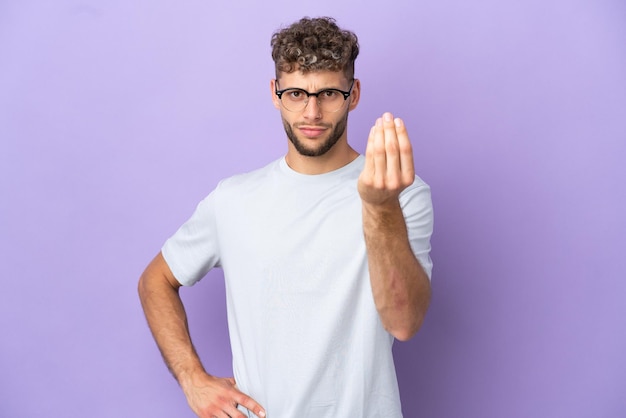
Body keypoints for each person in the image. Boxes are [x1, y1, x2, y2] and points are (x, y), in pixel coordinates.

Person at [138, 16, 433, 418]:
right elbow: (155, 281)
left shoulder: (402, 193)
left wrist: (380, 208)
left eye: (328, 93)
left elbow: (403, 322)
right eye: (296, 93)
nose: (312, 112)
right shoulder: (234, 200)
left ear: (354, 93)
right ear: (275, 93)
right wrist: (193, 379)